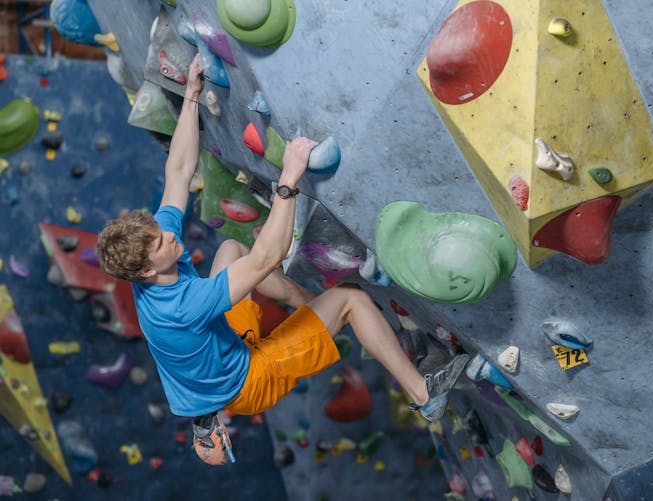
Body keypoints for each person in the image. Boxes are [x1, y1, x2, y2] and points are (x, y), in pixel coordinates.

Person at [96, 55, 469, 466]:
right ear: (147, 270)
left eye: (164, 232)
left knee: (229, 251)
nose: (171, 234)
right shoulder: (184, 306)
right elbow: (268, 257)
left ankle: (303, 312)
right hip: (248, 381)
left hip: (217, 352)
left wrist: (191, 96)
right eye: (163, 242)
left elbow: (180, 171)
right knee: (352, 299)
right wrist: (288, 182)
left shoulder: (150, 264)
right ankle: (424, 394)